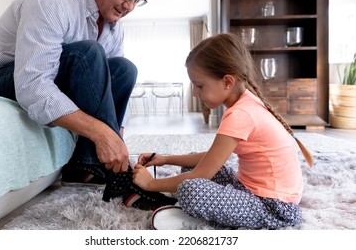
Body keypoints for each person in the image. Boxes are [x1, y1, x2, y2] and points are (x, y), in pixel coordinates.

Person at [0, 0, 176, 210]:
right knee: (89, 53)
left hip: (42, 77)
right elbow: (33, 86)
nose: (129, 6)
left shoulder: (113, 27)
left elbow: (110, 85)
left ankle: (84, 165)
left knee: (124, 69)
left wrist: (118, 143)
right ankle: (121, 181)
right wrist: (102, 135)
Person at [133, 33, 313, 229]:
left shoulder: (240, 114)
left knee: (189, 189)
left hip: (274, 207)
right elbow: (212, 158)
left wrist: (150, 184)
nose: (194, 92)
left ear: (227, 82)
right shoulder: (247, 102)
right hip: (253, 191)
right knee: (191, 167)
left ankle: (202, 219)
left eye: (199, 85)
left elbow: (202, 174)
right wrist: (166, 159)